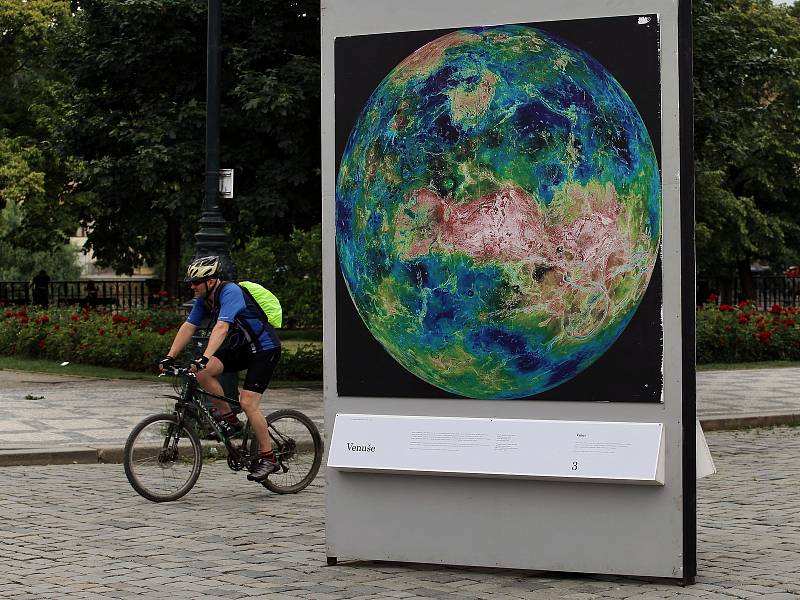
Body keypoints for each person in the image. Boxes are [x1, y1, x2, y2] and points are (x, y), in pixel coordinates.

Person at [159, 256, 282, 482]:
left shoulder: (231, 292)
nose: (192, 287)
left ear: (211, 281)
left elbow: (222, 327)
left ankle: (269, 457)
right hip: (242, 348)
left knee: (248, 402)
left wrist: (204, 357)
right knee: (202, 372)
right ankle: (231, 420)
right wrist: (170, 356)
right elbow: (189, 326)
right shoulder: (204, 299)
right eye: (191, 283)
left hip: (265, 348)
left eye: (196, 282)